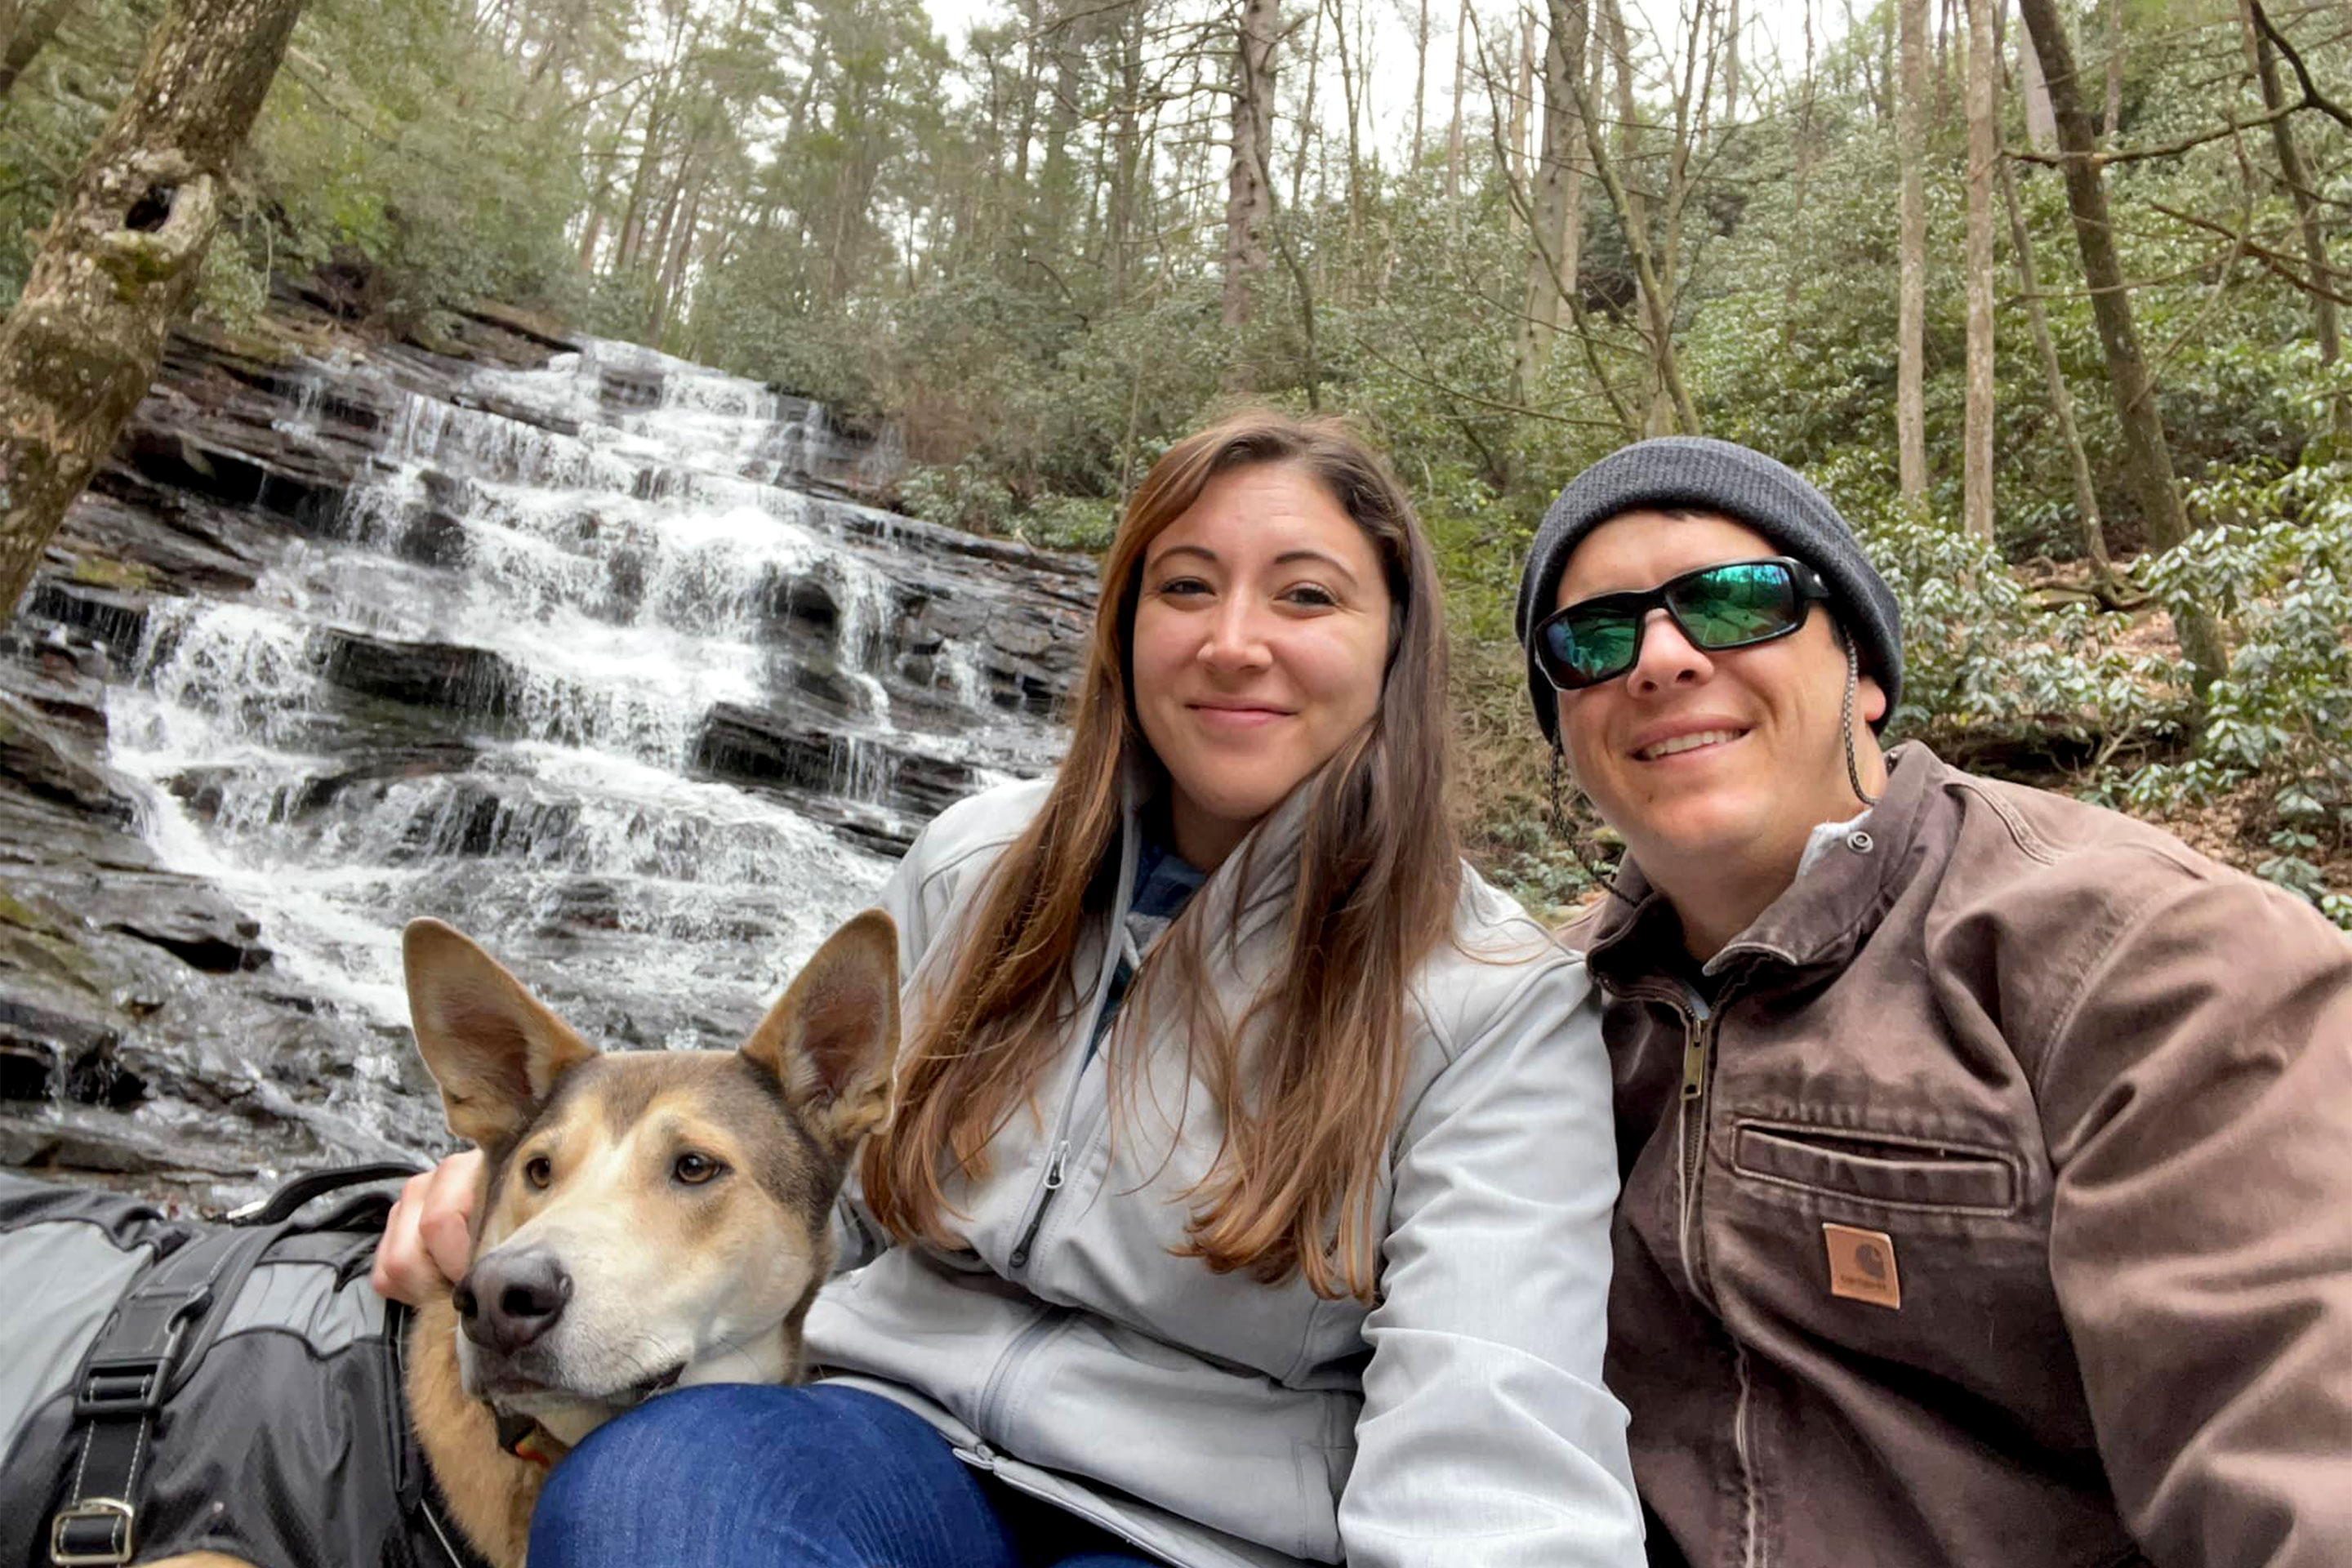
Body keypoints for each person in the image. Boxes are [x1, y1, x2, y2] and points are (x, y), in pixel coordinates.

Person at [376, 411, 1645, 1568]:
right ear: (1126, 627)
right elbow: (811, 1193)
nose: (1233, 641)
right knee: (649, 1505)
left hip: (1203, 1533)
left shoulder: (1491, 1002)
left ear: (1396, 647)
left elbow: (1492, 1428)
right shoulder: (978, 865)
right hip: (880, 1442)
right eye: (1185, 586)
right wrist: (542, 1218)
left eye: (1306, 595)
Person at [1513, 434, 2352, 1568]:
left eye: (1737, 600)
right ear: (1566, 728)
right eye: (1594, 637)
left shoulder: (2148, 957)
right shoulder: (1539, 1018)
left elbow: (2298, 1460)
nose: (1660, 658)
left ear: (1863, 670)